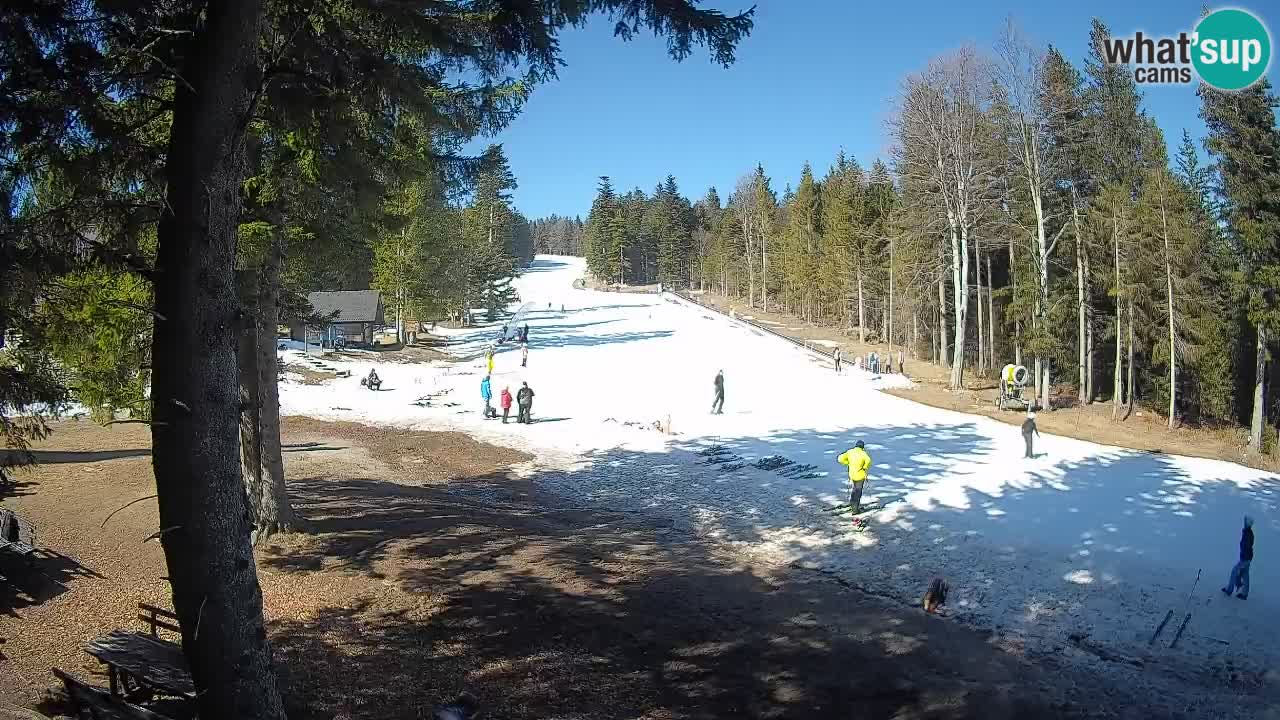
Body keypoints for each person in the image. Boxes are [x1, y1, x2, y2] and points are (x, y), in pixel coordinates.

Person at [1223, 516, 1255, 600]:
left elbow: (1247, 546)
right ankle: (1244, 594)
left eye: (1245, 522)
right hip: (1247, 557)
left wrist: (1244, 556)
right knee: (1245, 574)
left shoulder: (1248, 533)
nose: (1244, 523)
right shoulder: (1247, 532)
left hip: (1245, 558)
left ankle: (1229, 590)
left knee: (1234, 571)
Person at [837, 440, 872, 516]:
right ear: (862, 447)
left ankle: (852, 503)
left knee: (854, 489)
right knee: (858, 492)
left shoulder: (850, 452)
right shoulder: (863, 453)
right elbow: (868, 461)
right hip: (860, 476)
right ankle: (855, 510)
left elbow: (840, 459)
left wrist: (848, 463)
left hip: (852, 475)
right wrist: (865, 467)